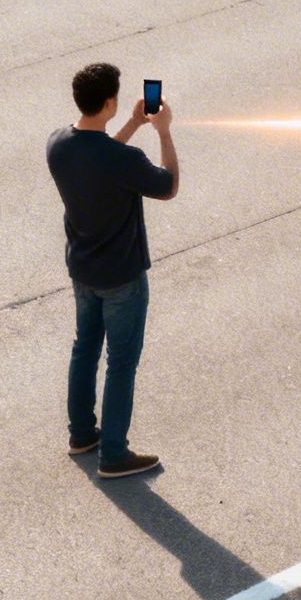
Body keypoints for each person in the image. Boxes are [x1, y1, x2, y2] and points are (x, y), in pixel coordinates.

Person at [46, 62, 179, 480]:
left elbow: (101, 155)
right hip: (122, 276)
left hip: (83, 270)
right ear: (109, 102)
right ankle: (115, 454)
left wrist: (132, 125)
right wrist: (163, 132)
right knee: (121, 363)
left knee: (84, 349)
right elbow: (167, 185)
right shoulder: (123, 159)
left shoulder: (58, 144)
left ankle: (83, 434)